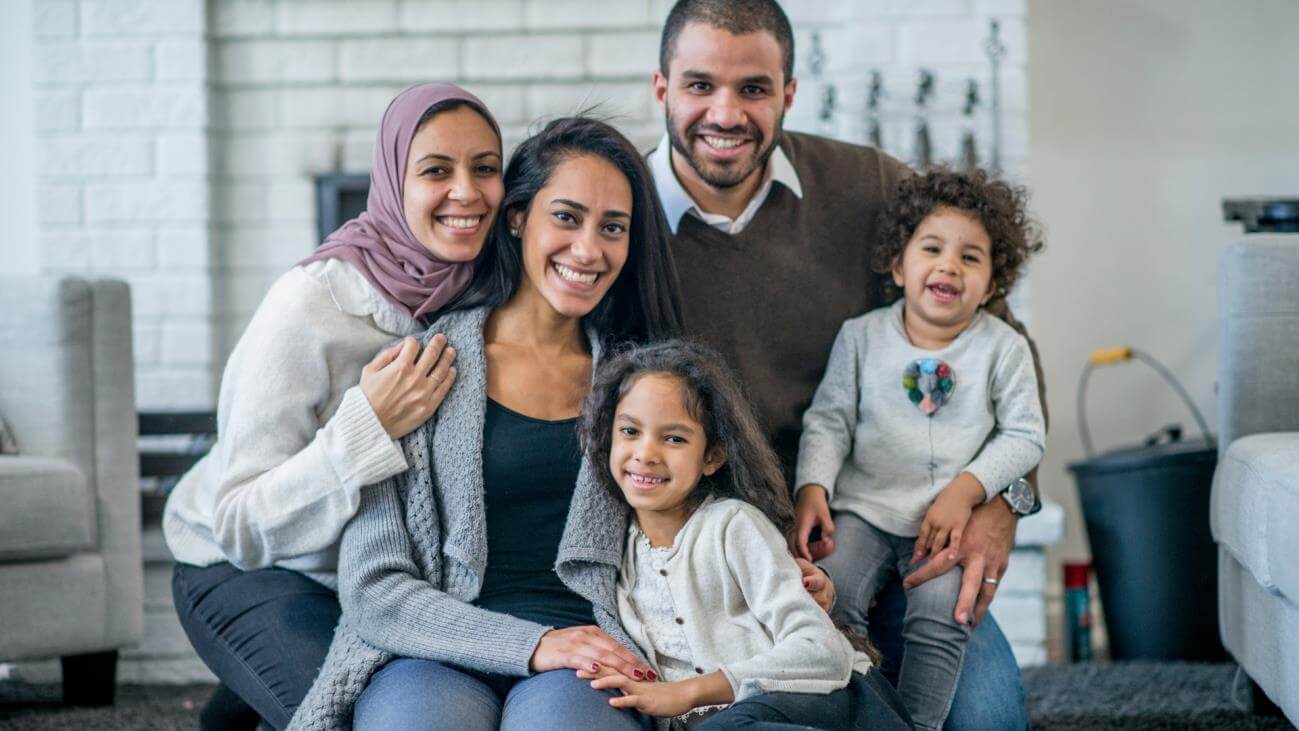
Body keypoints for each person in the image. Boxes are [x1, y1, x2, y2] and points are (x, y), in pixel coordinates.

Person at [647, 1, 1048, 727]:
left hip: (872, 533)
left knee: (985, 717)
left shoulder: (868, 188)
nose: (725, 112)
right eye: (699, 85)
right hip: (703, 561)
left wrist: (998, 500)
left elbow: (999, 344)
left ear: (789, 94)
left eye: (754, 89)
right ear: (661, 89)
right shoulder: (614, 216)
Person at [287, 116, 683, 731]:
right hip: (432, 652)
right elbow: (373, 589)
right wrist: (531, 644)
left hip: (590, 659)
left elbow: (698, 531)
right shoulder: (420, 370)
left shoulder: (646, 388)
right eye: (567, 217)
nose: (588, 249)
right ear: (519, 216)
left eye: (613, 228)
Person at [163, 83, 504, 730]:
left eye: (484, 168)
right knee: (346, 715)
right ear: (390, 181)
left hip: (381, 583)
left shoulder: (490, 289)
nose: (467, 192)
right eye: (435, 170)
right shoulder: (311, 303)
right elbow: (238, 519)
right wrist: (366, 427)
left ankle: (244, 699)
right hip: (249, 565)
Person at [795, 169, 1047, 730]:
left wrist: (967, 490)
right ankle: (850, 716)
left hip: (947, 526)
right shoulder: (861, 338)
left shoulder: (1002, 349)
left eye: (971, 257)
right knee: (830, 598)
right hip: (862, 511)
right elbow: (829, 420)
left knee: (942, 615)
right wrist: (813, 487)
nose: (949, 266)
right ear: (898, 265)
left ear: (993, 282)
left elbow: (1026, 434)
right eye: (931, 248)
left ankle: (918, 725)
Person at [575, 339, 914, 730]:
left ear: (712, 456)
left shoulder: (733, 526)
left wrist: (686, 693)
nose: (646, 453)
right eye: (631, 431)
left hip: (836, 701)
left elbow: (823, 652)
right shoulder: (615, 551)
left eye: (674, 438)